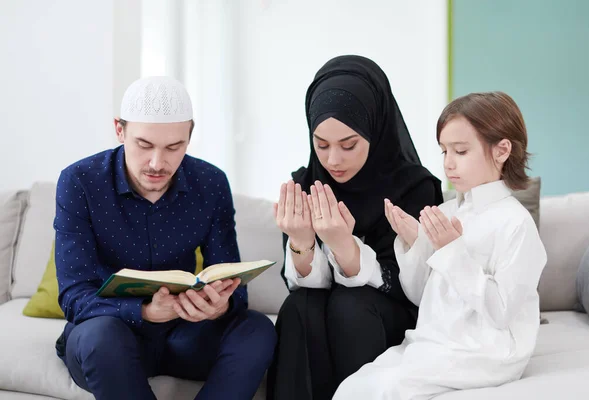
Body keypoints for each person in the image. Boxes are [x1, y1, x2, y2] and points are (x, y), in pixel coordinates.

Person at [54, 76, 276, 400]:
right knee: (102, 337)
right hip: (111, 338)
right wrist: (144, 311)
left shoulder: (211, 183)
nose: (158, 164)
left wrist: (216, 307)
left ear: (189, 135)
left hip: (186, 336)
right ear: (119, 130)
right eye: (144, 145)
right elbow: (74, 296)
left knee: (257, 330)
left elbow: (232, 286)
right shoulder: (80, 182)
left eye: (174, 147)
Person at [333, 91, 548, 400]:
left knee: (386, 390)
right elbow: (422, 296)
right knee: (352, 388)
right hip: (435, 343)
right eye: (444, 151)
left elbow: (501, 312)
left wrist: (451, 250)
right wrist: (414, 243)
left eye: (460, 151)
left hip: (486, 353)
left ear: (501, 151)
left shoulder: (516, 224)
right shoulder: (448, 213)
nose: (448, 164)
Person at [267, 55, 443, 400]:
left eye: (348, 145)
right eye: (321, 145)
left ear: (375, 132)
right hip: (330, 314)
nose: (333, 160)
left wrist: (345, 248)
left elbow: (415, 287)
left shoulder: (415, 188)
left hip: (386, 315)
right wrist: (302, 241)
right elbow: (302, 285)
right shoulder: (305, 185)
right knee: (299, 307)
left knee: (351, 304)